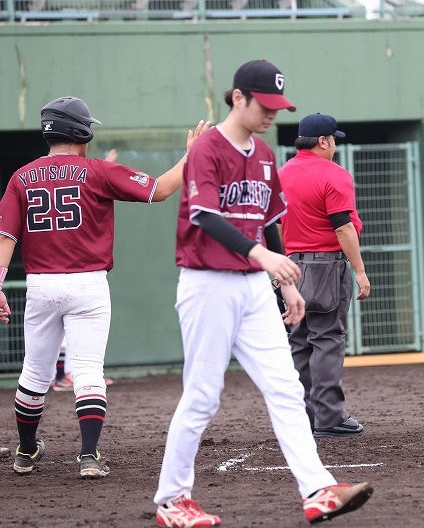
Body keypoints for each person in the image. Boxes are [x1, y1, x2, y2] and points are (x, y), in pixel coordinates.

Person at [153, 60, 373, 527]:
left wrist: (287, 282)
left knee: (286, 387)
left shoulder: (266, 154)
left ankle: (317, 490)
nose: (273, 113)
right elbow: (205, 216)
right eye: (265, 104)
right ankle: (172, 500)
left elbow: (271, 220)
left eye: (279, 106)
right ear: (238, 98)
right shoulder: (208, 149)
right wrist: (265, 258)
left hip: (253, 283)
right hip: (207, 281)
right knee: (203, 395)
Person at [0, 96, 209, 477]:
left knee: (34, 373)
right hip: (88, 284)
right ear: (80, 132)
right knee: (88, 371)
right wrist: (190, 156)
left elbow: (6, 237)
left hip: (41, 285)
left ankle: (26, 452)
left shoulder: (21, 177)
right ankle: (88, 457)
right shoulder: (96, 170)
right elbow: (160, 189)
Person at [278, 113, 371, 439]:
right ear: (322, 141)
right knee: (327, 338)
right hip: (326, 265)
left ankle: (300, 417)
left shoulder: (281, 174)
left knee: (299, 341)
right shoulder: (334, 174)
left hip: (291, 266)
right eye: (333, 139)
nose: (334, 145)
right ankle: (330, 417)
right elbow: (343, 227)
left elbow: (277, 226)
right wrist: (359, 270)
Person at [51, 149, 119, 393]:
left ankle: (66, 376)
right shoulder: (80, 178)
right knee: (67, 336)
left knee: (68, 336)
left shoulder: (39, 178)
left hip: (48, 273)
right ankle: (63, 376)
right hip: (72, 272)